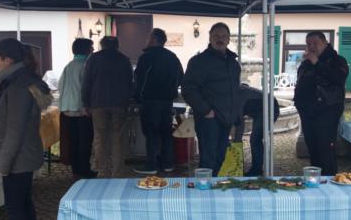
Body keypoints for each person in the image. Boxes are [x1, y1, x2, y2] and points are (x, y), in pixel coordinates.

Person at [0, 38, 53, 220]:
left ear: (8, 60)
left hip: (18, 156)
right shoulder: (22, 81)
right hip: (25, 153)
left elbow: (14, 130)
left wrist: (3, 163)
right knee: (24, 202)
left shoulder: (17, 87)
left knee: (15, 207)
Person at [182, 22, 240, 176]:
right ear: (210, 38)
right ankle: (204, 189)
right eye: (216, 36)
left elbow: (235, 91)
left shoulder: (233, 64)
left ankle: (211, 186)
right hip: (209, 119)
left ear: (229, 39)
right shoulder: (199, 61)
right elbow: (188, 89)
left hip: (226, 119)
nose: (220, 39)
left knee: (220, 157)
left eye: (223, 36)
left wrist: (235, 117)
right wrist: (206, 110)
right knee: (208, 160)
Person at [293, 31, 349, 176]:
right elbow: (300, 84)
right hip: (308, 113)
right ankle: (316, 180)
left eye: (315, 43)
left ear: (325, 43)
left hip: (327, 112)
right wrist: (299, 105)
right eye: (308, 44)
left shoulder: (338, 61)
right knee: (313, 150)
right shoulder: (306, 63)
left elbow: (338, 78)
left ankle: (329, 182)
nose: (311, 47)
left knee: (326, 150)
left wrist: (316, 63)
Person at [133, 28, 184, 175]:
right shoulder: (172, 57)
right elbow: (181, 76)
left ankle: (151, 165)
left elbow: (139, 80)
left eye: (148, 37)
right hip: (167, 101)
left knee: (151, 133)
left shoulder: (146, 57)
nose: (146, 40)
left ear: (154, 39)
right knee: (166, 132)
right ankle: (168, 164)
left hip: (150, 101)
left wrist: (138, 97)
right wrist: (171, 89)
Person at [82, 36, 133, 178]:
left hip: (98, 103)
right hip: (119, 104)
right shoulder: (124, 59)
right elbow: (130, 82)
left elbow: (86, 82)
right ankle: (118, 172)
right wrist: (127, 100)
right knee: (118, 139)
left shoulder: (93, 59)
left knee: (100, 138)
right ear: (117, 45)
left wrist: (86, 103)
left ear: (102, 45)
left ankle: (102, 171)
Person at [58, 38, 96, 178]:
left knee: (72, 141)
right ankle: (85, 169)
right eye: (91, 48)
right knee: (85, 141)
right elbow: (87, 88)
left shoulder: (68, 66)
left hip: (66, 109)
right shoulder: (86, 66)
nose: (93, 50)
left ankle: (76, 170)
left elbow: (60, 85)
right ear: (86, 50)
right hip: (82, 109)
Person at [233, 84, 280, 177]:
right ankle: (256, 168)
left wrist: (236, 143)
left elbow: (239, 123)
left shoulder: (236, 96)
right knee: (255, 139)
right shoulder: (237, 90)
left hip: (269, 107)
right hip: (263, 108)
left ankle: (256, 170)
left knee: (255, 139)